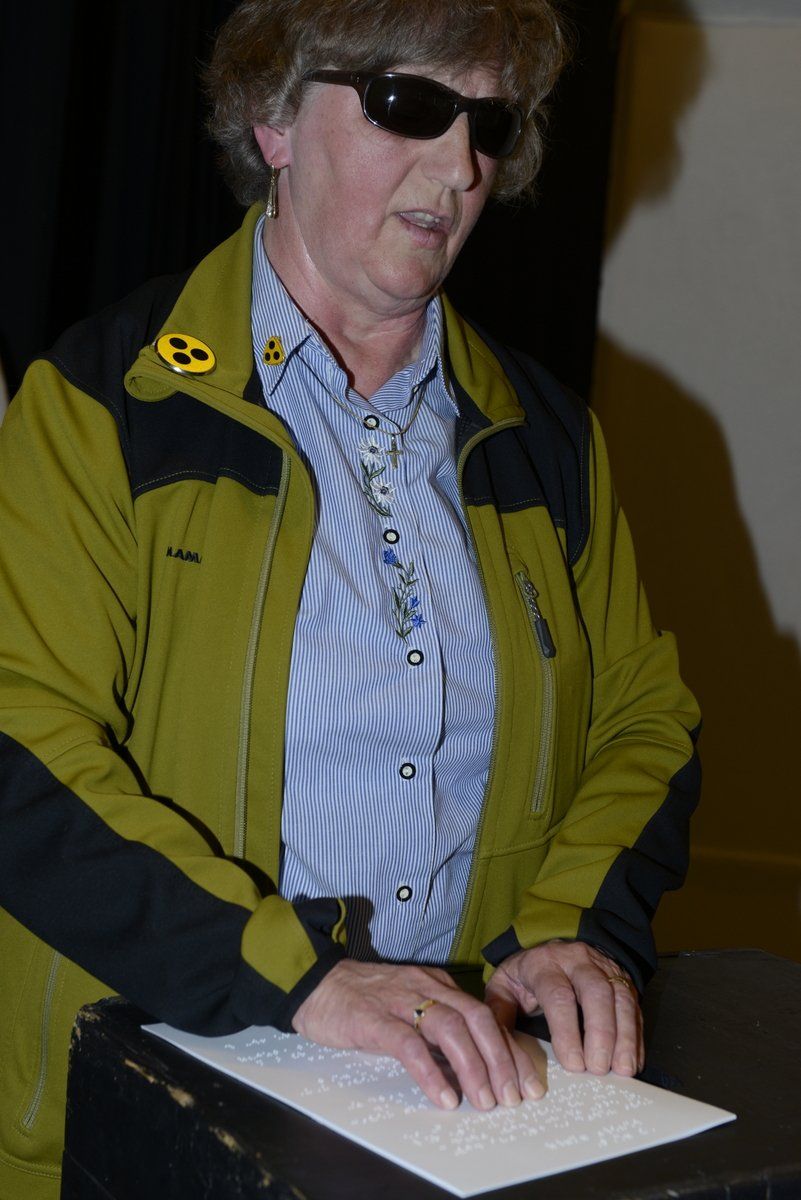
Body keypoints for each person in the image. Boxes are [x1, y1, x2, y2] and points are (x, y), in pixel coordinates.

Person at [0, 1, 701, 1196]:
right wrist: (300, 978)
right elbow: (21, 743)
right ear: (273, 121)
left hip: (454, 1111)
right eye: (408, 105)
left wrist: (566, 926)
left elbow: (647, 721)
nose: (460, 165)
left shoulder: (548, 440)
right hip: (152, 1096)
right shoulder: (104, 404)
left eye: (487, 122)